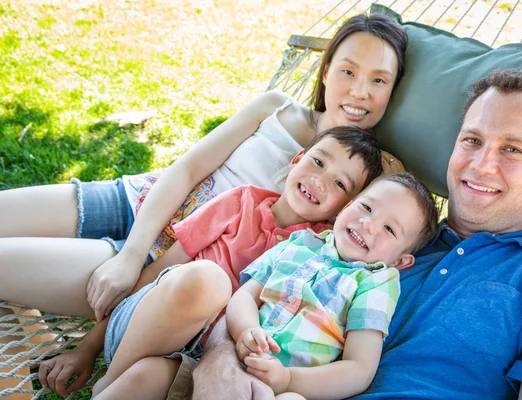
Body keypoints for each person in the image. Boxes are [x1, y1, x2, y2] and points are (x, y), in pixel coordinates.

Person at [0, 13, 407, 396]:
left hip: (175, 283)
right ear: (326, 69)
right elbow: (189, 167)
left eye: (378, 80)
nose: (358, 91)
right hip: (142, 206)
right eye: (348, 71)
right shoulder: (276, 107)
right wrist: (130, 255)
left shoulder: (372, 185)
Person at [190, 69, 522, 400]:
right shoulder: (368, 238)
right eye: (472, 140)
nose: (482, 165)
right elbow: (262, 300)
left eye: (513, 149)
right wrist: (220, 361)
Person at [40, 126, 384, 399]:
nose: (319, 181)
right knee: (210, 281)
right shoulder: (239, 203)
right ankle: (107, 382)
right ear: (296, 160)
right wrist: (87, 348)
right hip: (145, 328)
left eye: (340, 183)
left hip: (203, 366)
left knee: (151, 379)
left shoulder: (317, 251)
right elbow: (156, 274)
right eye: (318, 162)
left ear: (345, 208)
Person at [227, 172, 438, 400]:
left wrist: (288, 379)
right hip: (234, 360)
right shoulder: (300, 242)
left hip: (288, 388)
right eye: (366, 207)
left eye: (389, 229)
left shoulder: (375, 283)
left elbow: (359, 369)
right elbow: (246, 295)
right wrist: (246, 330)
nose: (368, 224)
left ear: (400, 261)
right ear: (347, 206)